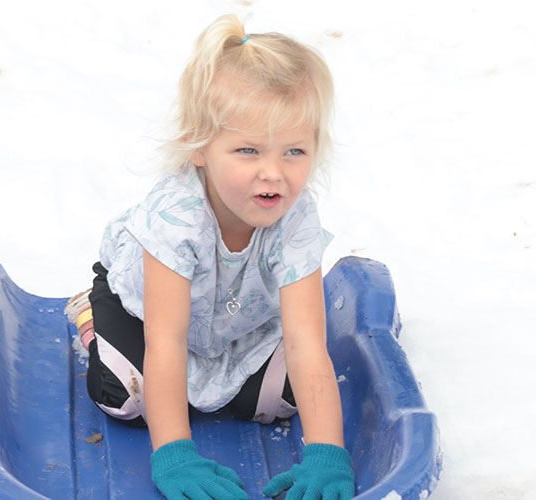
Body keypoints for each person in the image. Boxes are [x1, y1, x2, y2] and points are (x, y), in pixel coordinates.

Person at [63, 14, 354, 500]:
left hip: (239, 321)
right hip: (149, 316)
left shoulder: (296, 215)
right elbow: (167, 341)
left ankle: (223, 379)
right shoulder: (177, 217)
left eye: (295, 152)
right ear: (199, 148)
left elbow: (306, 343)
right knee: (124, 398)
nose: (274, 173)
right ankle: (91, 316)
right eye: (247, 150)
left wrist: (328, 454)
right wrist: (174, 455)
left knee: (282, 401)